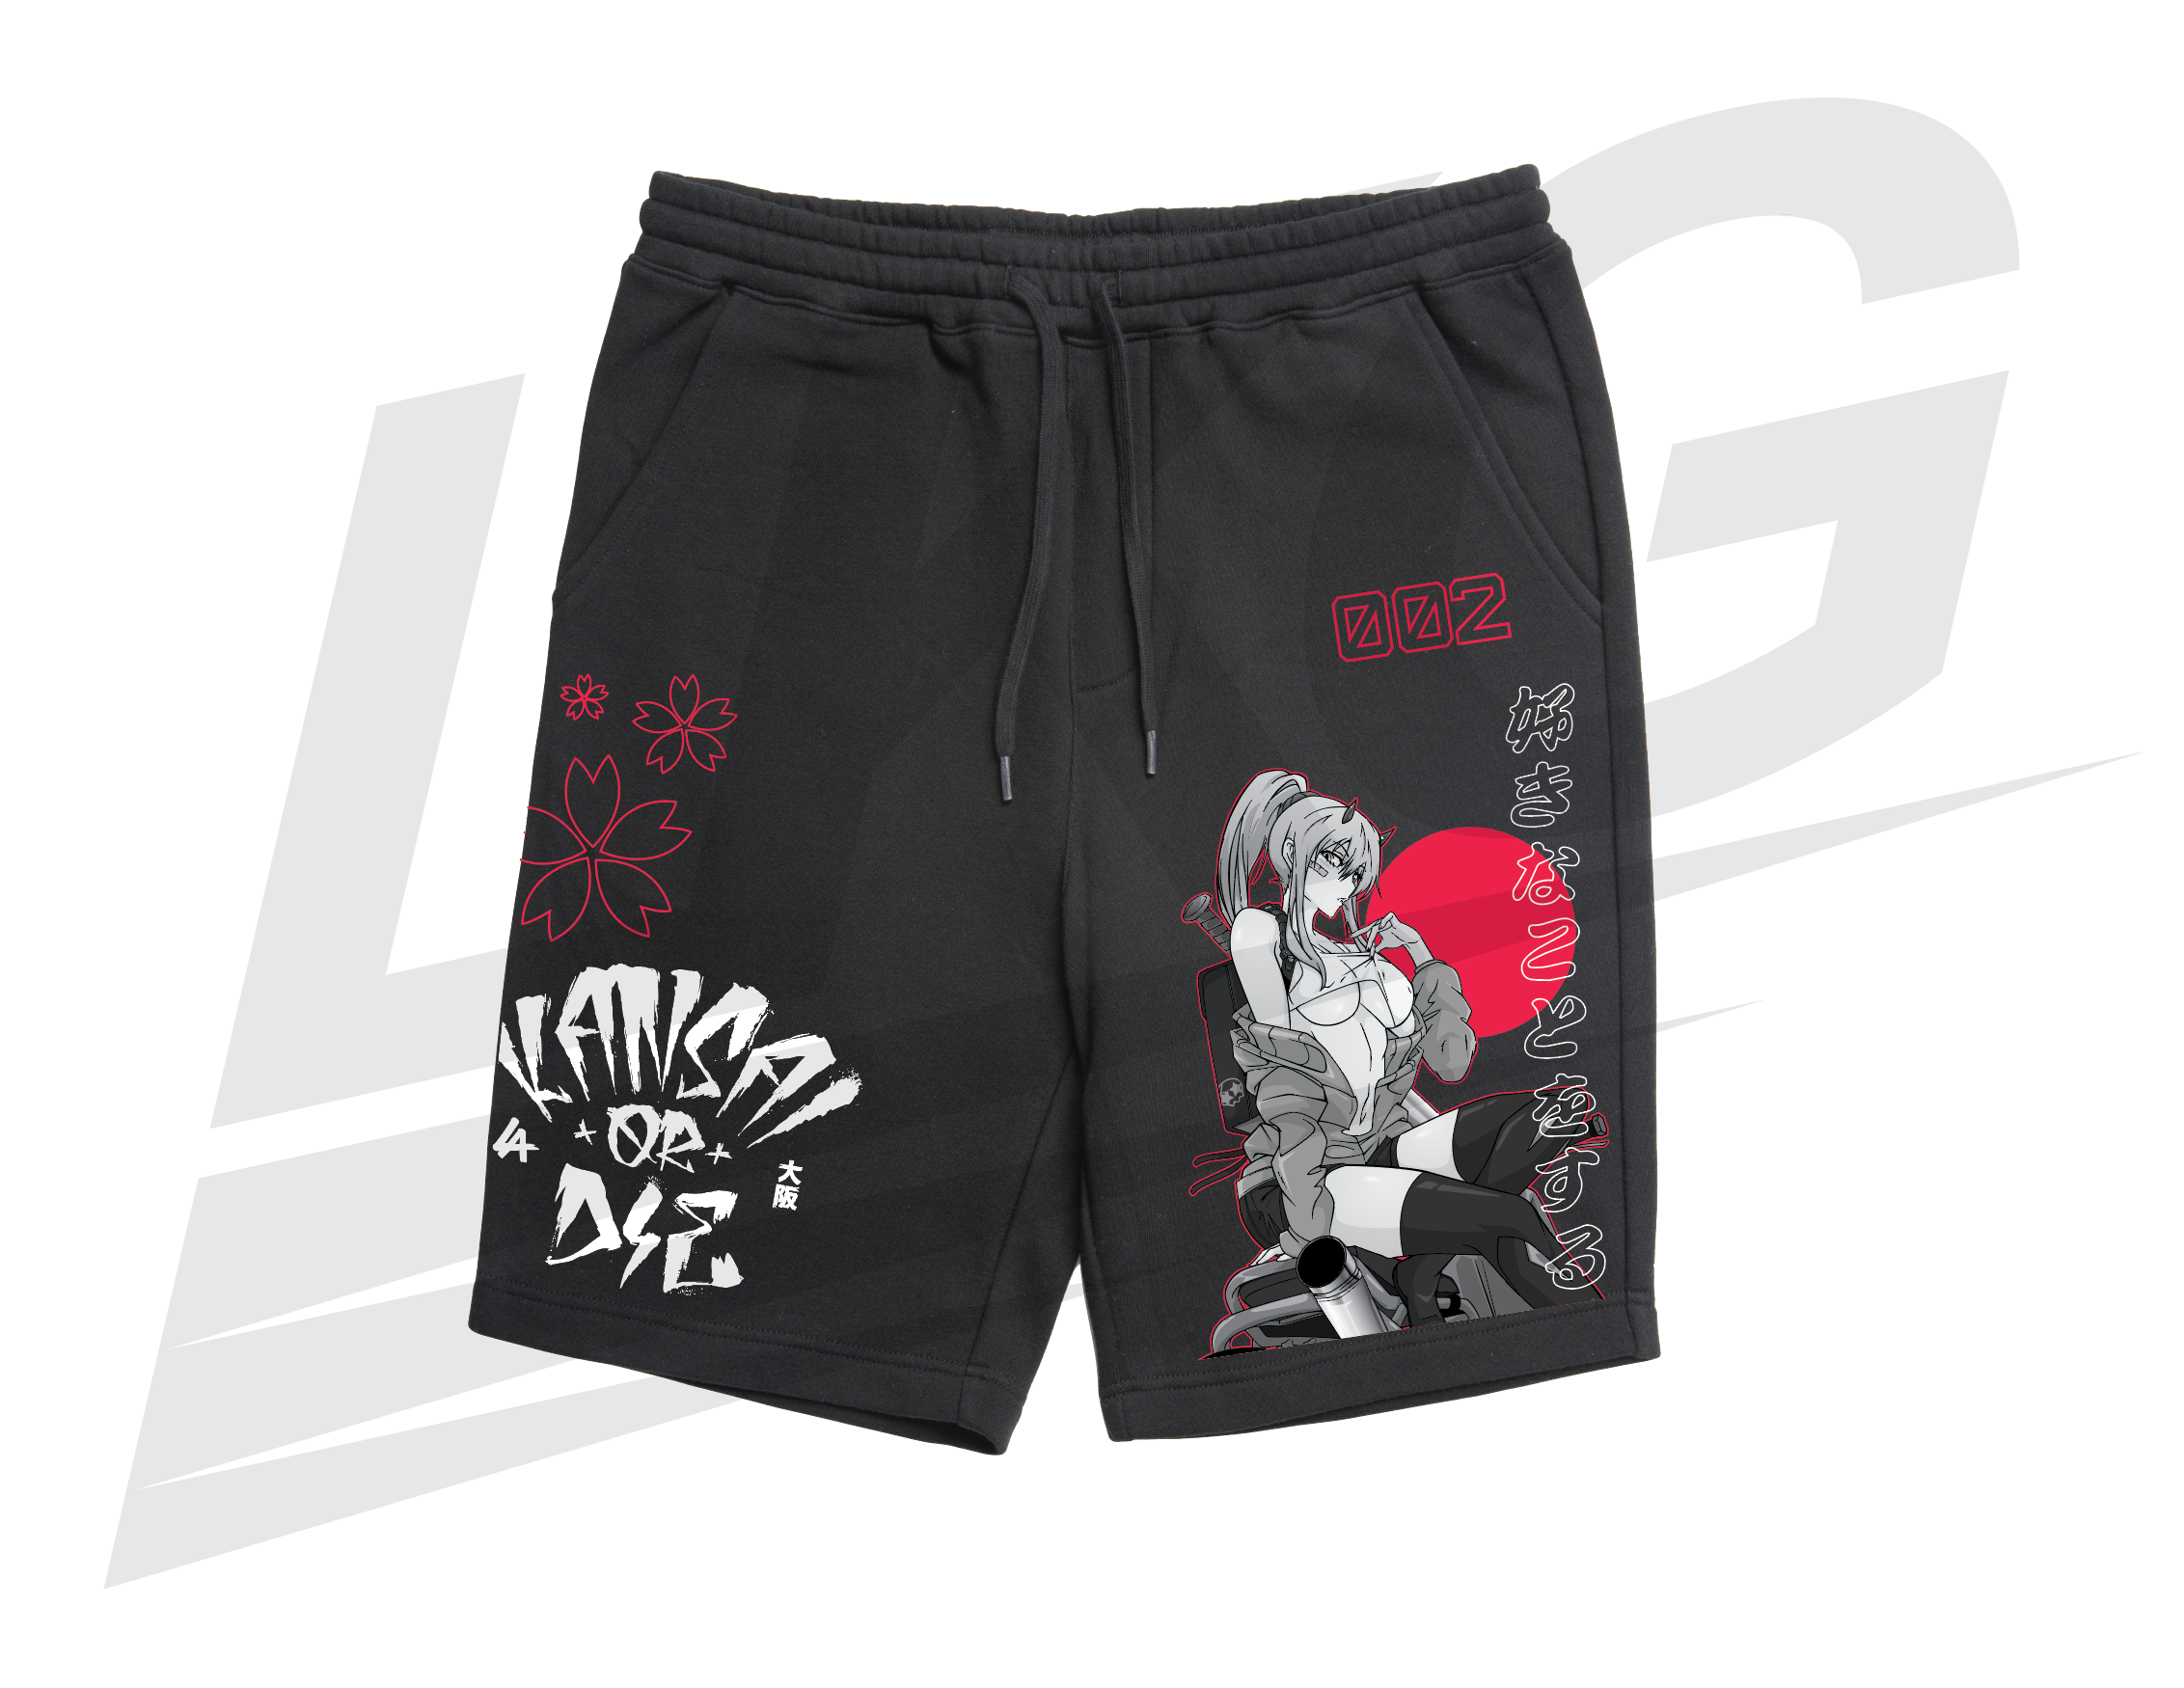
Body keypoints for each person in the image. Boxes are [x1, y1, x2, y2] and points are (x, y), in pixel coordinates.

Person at [1213, 769, 1598, 1315]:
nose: (1347, 882)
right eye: (1335, 861)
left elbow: (1451, 1062)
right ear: (1292, 852)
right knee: (1508, 1218)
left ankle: (1423, 1270)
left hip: (1379, 1149)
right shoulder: (1261, 934)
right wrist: (1310, 1225)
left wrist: (1417, 953)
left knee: (1546, 1118)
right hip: (1307, 1178)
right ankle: (1583, 1321)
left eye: (1356, 870)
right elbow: (1282, 1085)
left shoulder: (1364, 959)